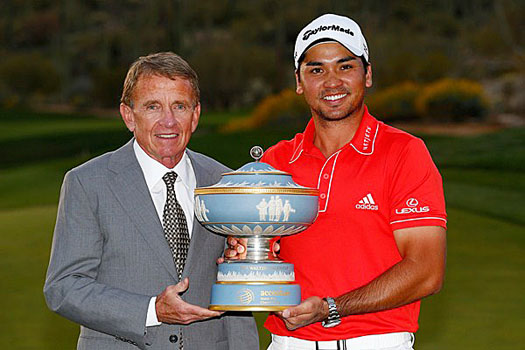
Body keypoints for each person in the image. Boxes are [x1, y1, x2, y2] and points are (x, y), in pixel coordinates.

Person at [226, 14, 447, 350]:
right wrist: (240, 252)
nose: (332, 82)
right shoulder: (275, 161)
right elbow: (261, 256)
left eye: (345, 67)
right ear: (299, 82)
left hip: (377, 343)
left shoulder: (404, 152)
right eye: (316, 70)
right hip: (288, 343)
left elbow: (426, 271)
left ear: (367, 74)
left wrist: (331, 307)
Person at [44, 52, 259, 350]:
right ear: (129, 115)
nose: (168, 121)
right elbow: (64, 287)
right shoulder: (87, 182)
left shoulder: (225, 181)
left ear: (195, 115)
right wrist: (151, 311)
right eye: (153, 107)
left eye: (179, 106)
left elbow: (238, 300)